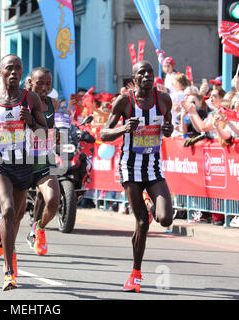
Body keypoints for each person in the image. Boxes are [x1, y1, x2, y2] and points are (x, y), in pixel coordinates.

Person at [0, 54, 47, 291]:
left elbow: (45, 132)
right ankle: (9, 272)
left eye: (18, 69)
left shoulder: (31, 98)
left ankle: (2, 234)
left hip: (23, 165)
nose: (14, 73)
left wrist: (32, 123)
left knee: (15, 218)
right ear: (0, 72)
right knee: (8, 209)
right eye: (9, 68)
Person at [100, 60, 174, 293]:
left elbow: (169, 124)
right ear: (134, 79)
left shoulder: (163, 99)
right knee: (141, 222)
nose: (147, 76)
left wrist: (169, 129)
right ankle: (136, 274)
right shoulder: (124, 101)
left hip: (153, 168)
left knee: (165, 219)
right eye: (142, 73)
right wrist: (123, 129)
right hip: (130, 168)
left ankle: (152, 206)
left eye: (150, 72)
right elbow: (104, 134)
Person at [23, 67, 60, 256]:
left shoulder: (53, 103)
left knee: (53, 200)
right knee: (12, 210)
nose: (44, 87)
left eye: (48, 83)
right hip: (20, 161)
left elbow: (55, 129)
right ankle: (3, 228)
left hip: (44, 159)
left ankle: (38, 229)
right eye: (40, 83)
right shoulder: (20, 102)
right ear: (30, 82)